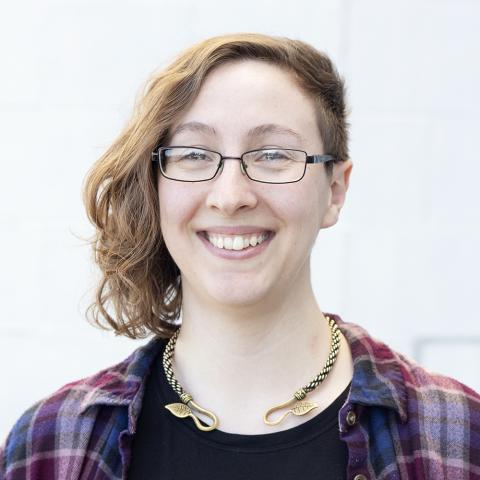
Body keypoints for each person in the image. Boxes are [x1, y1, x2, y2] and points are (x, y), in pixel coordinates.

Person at [1, 33, 479, 480]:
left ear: (334, 190)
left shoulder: (456, 436)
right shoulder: (52, 441)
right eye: (193, 154)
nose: (230, 197)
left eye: (273, 154)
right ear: (156, 186)